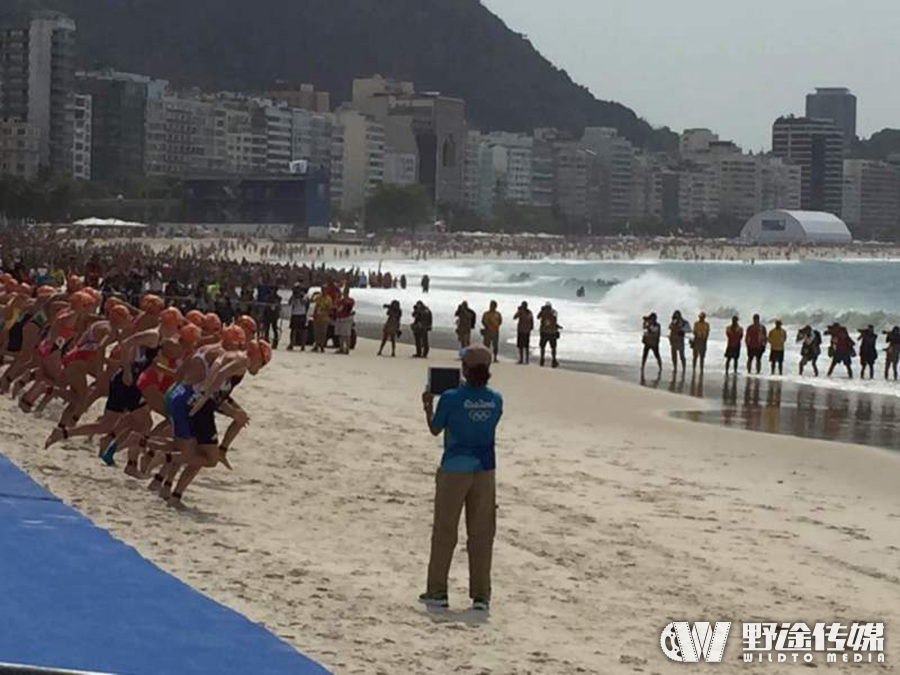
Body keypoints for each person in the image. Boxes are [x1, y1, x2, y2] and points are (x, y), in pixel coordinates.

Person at [420, 345, 502, 612]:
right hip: (485, 470)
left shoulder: (451, 398)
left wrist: (427, 408)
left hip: (455, 468)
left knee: (445, 530)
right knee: (481, 534)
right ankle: (481, 595)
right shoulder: (495, 399)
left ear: (465, 369)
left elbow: (436, 429)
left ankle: (437, 591)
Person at [537, 302, 561, 368]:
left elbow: (538, 317)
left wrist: (542, 311)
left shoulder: (548, 312)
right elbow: (554, 320)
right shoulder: (553, 312)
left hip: (545, 332)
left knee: (544, 347)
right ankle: (552, 360)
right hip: (551, 332)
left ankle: (543, 360)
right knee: (552, 348)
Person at [287, 285, 309, 351]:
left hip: (302, 314)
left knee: (302, 331)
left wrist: (300, 297)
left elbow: (304, 303)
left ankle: (303, 345)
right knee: (293, 330)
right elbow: (289, 303)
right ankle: (291, 344)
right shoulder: (293, 296)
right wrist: (293, 296)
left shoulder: (304, 296)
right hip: (294, 314)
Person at [334, 291, 356, 355]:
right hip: (340, 318)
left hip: (346, 319)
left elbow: (350, 304)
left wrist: (345, 302)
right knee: (341, 334)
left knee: (347, 335)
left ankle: (347, 349)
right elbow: (336, 307)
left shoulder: (350, 300)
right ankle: (341, 348)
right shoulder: (340, 301)